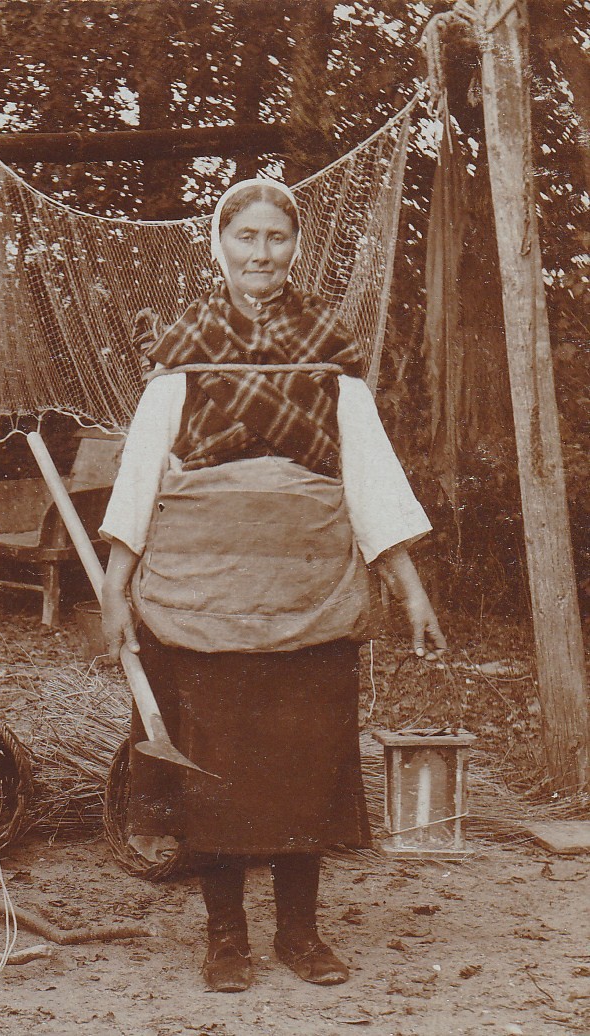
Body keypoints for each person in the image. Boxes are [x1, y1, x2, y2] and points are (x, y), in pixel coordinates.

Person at [98, 178, 446, 994]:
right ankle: (226, 937)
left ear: (297, 246)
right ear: (220, 245)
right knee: (211, 768)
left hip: (309, 594)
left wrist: (411, 587)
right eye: (246, 237)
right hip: (201, 594)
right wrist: (117, 584)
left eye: (276, 238)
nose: (261, 253)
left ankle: (300, 932)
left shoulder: (328, 345)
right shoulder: (185, 344)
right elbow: (142, 468)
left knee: (305, 764)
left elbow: (371, 474)